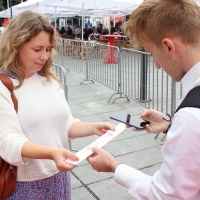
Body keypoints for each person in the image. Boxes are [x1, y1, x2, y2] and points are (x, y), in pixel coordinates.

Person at [87, 0, 200, 199]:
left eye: (153, 54)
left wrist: (114, 166)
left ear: (168, 47)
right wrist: (170, 124)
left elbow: (166, 195)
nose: (156, 65)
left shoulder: (191, 115)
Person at [0, 10, 115, 199]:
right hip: (23, 185)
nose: (44, 56)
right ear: (15, 46)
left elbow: (65, 124)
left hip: (59, 177)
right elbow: (8, 141)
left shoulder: (49, 80)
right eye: (37, 49)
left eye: (48, 49)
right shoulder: (4, 86)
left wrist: (92, 127)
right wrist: (51, 153)